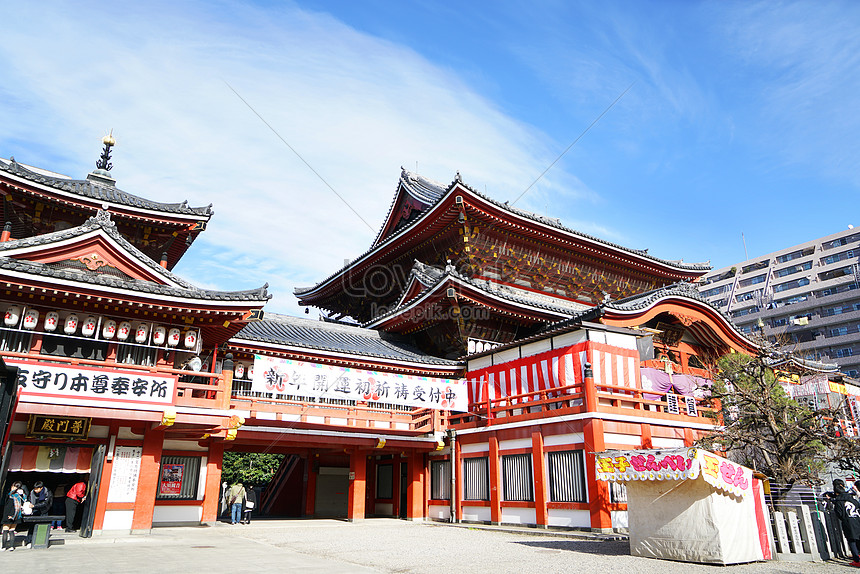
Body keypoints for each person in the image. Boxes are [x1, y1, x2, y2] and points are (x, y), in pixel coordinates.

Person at [832, 479, 860, 567]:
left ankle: (857, 560)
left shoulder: (838, 501)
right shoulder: (851, 498)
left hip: (848, 522)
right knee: (859, 539)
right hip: (857, 520)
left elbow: (839, 514)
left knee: (851, 541)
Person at [25, 481, 53, 547]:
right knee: (32, 525)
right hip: (35, 511)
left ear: (41, 488)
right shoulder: (32, 492)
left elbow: (46, 503)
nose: (35, 490)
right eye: (35, 489)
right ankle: (29, 540)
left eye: (37, 489)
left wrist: (34, 506)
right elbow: (29, 499)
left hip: (44, 510)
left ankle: (41, 541)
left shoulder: (47, 492)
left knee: (42, 526)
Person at [2, 481, 25, 551]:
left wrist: (8, 515)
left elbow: (8, 506)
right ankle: (12, 546)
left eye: (14, 486)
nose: (12, 487)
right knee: (12, 531)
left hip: (9, 515)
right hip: (17, 516)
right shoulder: (21, 495)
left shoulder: (11, 495)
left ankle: (4, 546)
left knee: (5, 531)